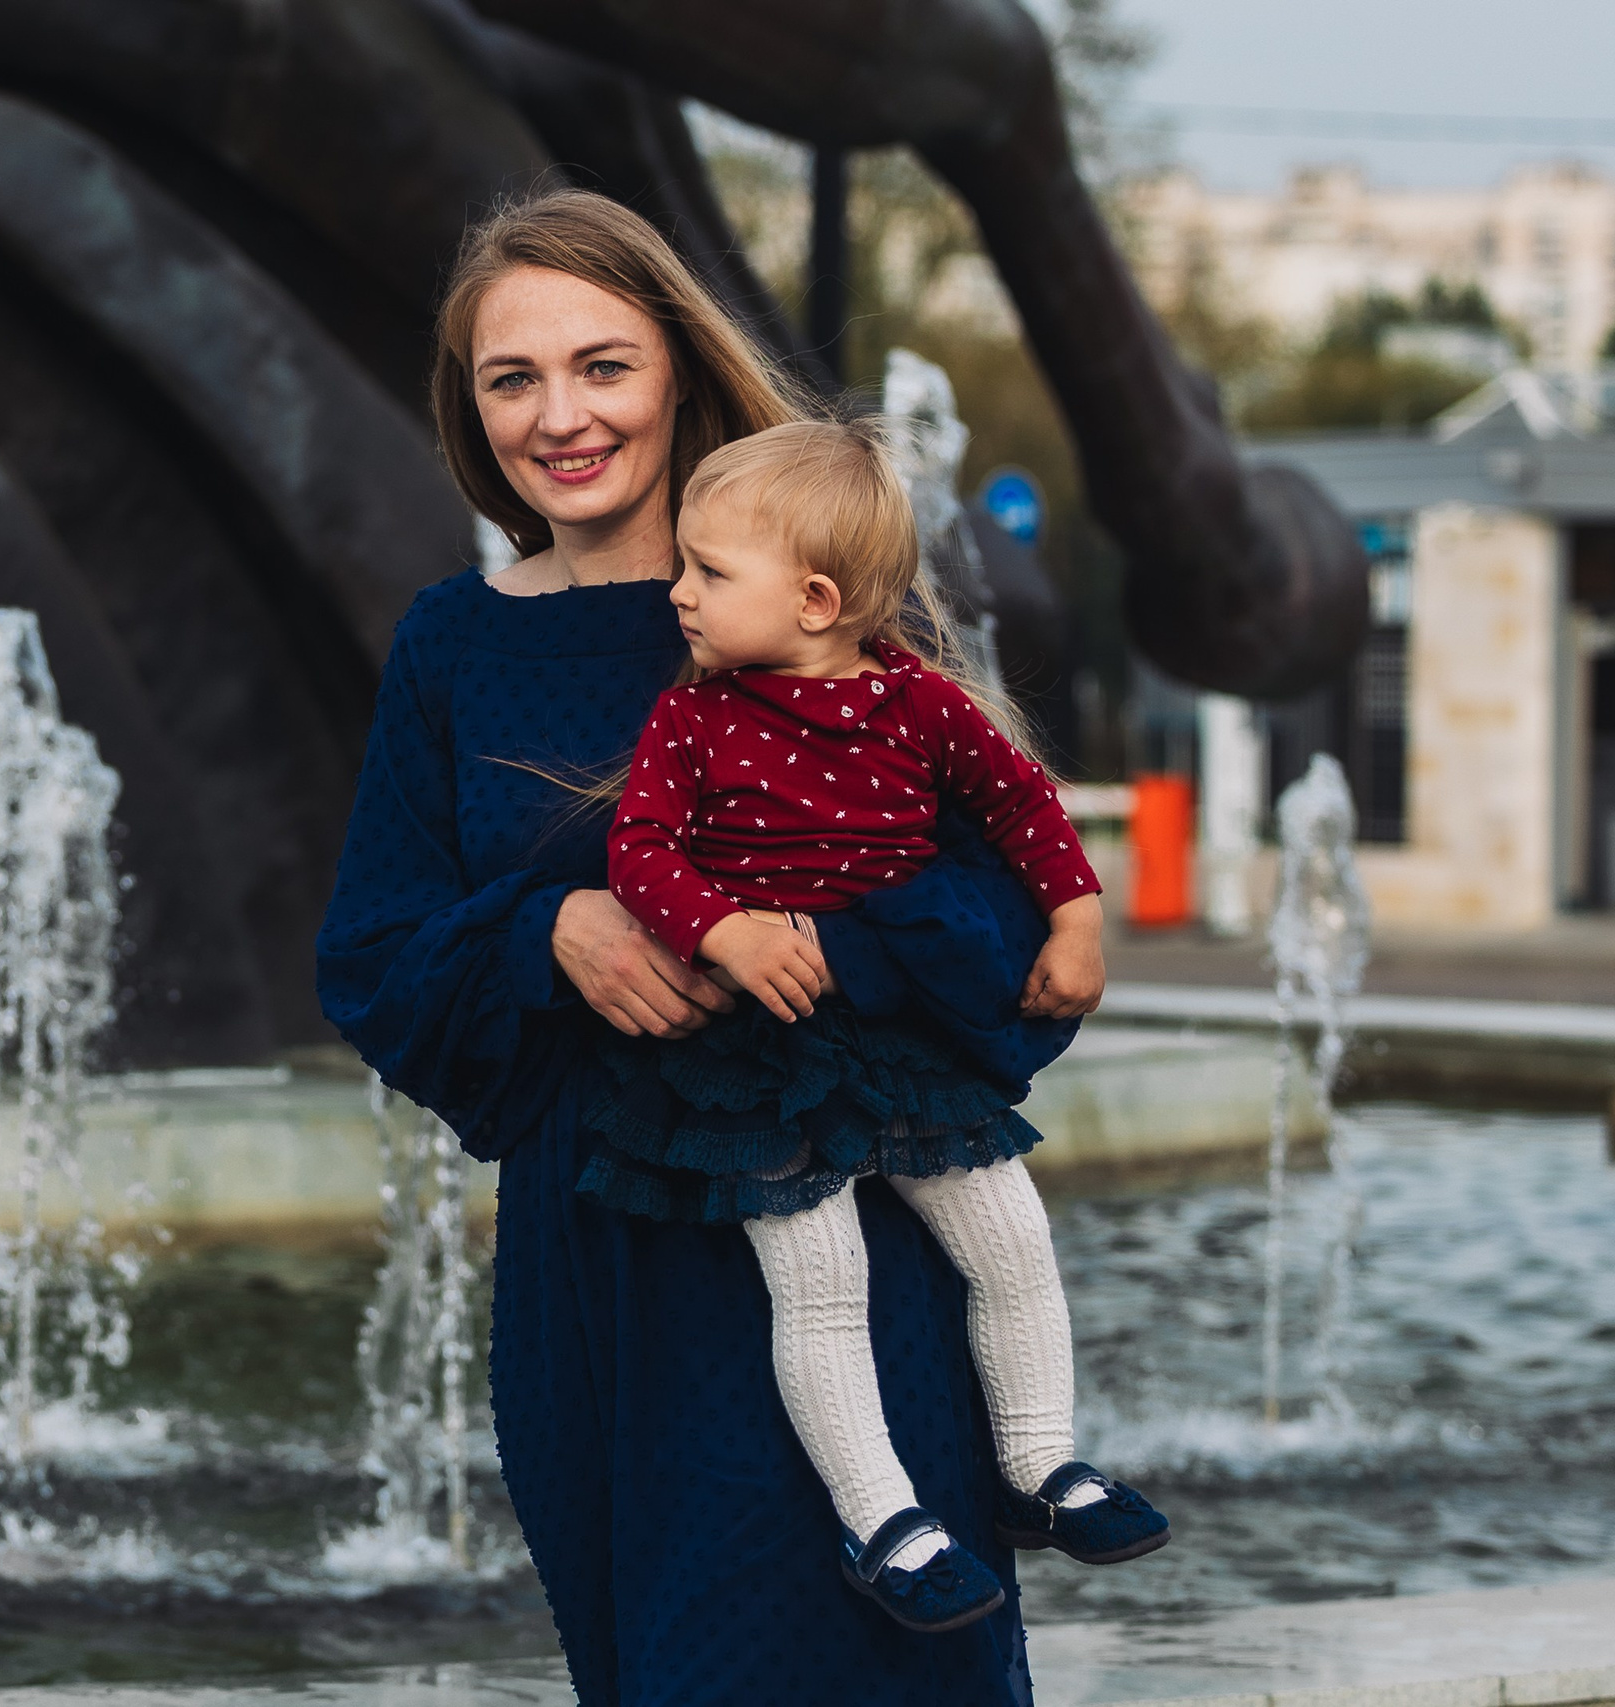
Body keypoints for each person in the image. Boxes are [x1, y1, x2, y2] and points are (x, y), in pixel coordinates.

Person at [318, 189, 1031, 1706]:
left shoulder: (818, 604)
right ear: (469, 408)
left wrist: (814, 948)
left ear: (678, 371)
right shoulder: (453, 642)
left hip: (851, 1243)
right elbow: (371, 961)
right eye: (512, 379)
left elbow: (1009, 930)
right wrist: (546, 925)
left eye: (603, 366)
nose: (560, 417)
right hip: (603, 1271)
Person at [590, 419, 1167, 1637]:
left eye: (708, 572)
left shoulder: (920, 705)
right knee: (820, 1282)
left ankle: (1041, 1465)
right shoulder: (692, 721)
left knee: (1011, 1238)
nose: (678, 592)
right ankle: (884, 1518)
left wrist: (1075, 922)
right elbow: (635, 849)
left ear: (812, 599)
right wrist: (721, 930)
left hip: (903, 1035)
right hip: (760, 1050)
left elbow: (1025, 809)